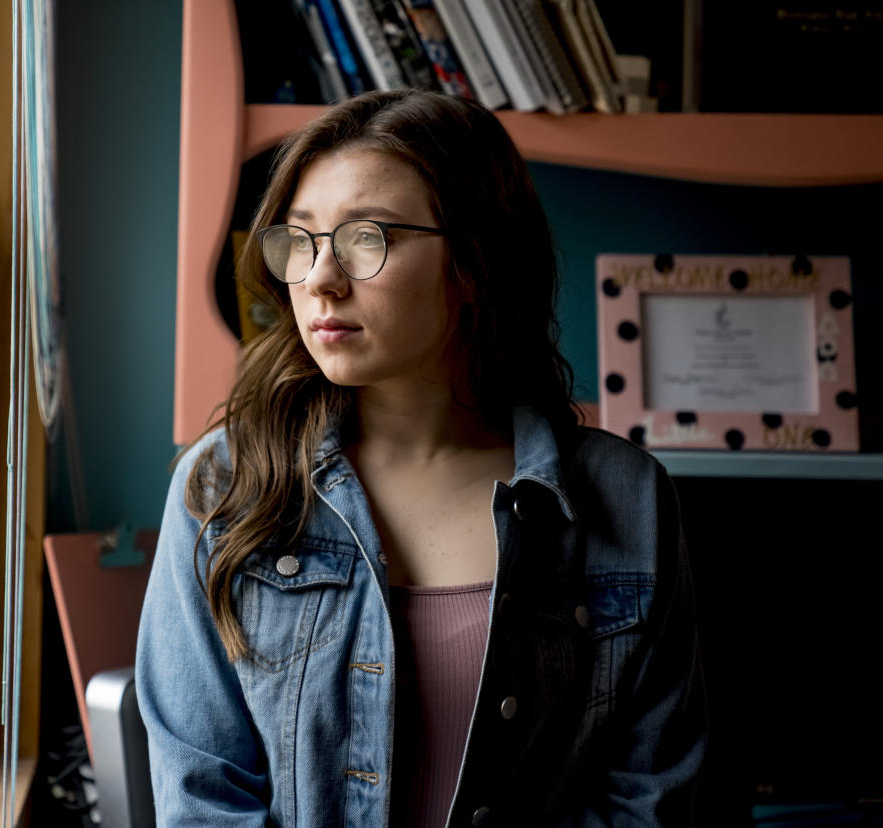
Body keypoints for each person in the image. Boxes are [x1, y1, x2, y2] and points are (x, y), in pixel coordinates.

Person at [136, 89, 705, 827]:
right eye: (301, 239)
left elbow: (648, 801)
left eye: (367, 239)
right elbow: (201, 799)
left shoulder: (625, 499)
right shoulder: (225, 487)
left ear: (474, 261)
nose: (320, 279)